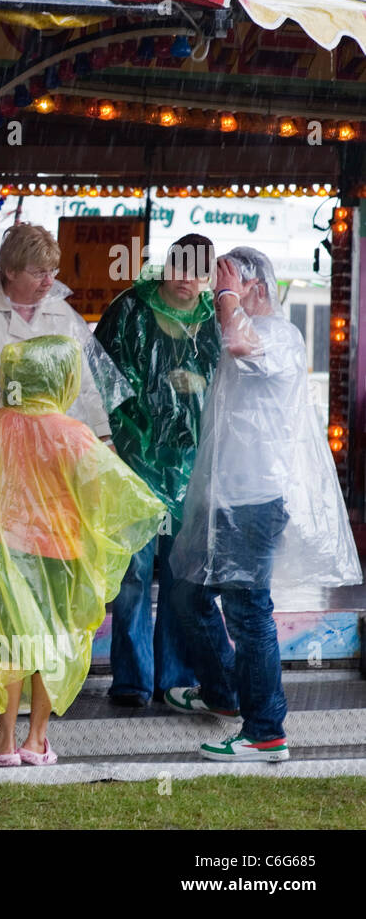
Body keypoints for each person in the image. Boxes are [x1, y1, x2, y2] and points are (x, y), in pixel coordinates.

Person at [0, 335, 164, 765]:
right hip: (61, 555)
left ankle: (4, 741)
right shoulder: (73, 433)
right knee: (50, 644)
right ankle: (36, 740)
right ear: (61, 379)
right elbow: (106, 492)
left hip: (6, 551)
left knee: (8, 641)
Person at [0, 222, 128, 710]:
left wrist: (103, 441)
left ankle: (40, 685)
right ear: (11, 270)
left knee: (43, 571)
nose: (47, 281)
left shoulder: (63, 315)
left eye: (53, 271)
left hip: (51, 469)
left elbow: (87, 387)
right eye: (38, 271)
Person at [167, 247, 361, 761]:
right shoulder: (251, 330)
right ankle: (224, 693)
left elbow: (238, 343)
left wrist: (228, 295)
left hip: (253, 502)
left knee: (249, 612)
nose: (215, 299)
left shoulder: (278, 335)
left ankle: (266, 731)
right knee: (187, 592)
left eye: (226, 286)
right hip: (223, 498)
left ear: (254, 286)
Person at [94, 234, 221, 708]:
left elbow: (234, 384)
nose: (188, 281)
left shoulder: (214, 320)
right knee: (132, 575)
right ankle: (131, 680)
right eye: (181, 269)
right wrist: (137, 428)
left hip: (193, 467)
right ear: (167, 267)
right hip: (136, 464)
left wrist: (200, 384)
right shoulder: (128, 310)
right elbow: (102, 381)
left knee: (183, 577)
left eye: (199, 273)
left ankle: (175, 678)